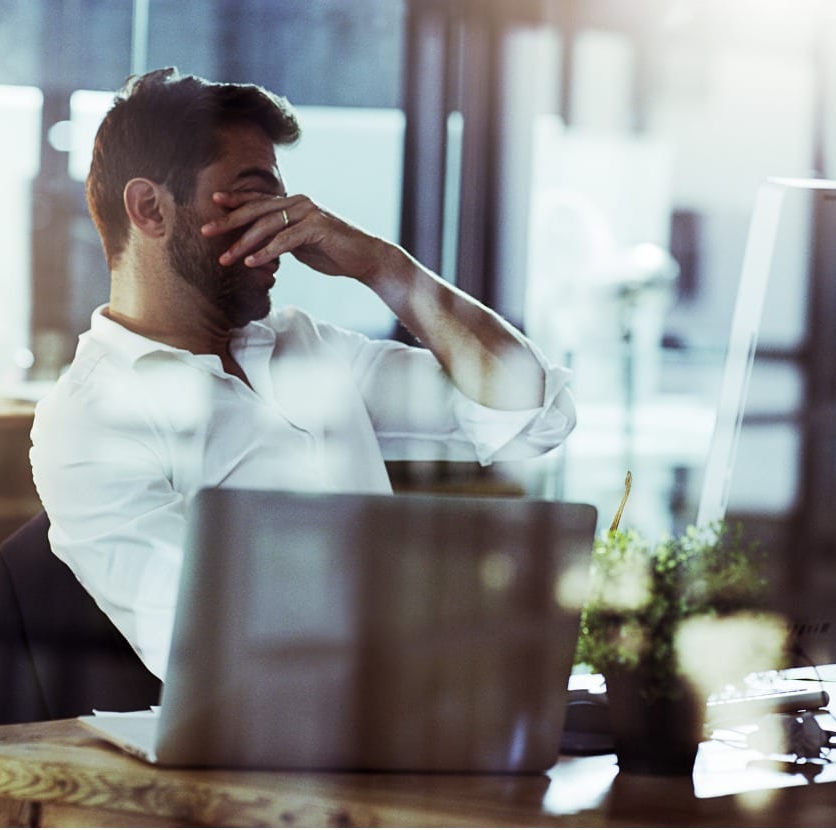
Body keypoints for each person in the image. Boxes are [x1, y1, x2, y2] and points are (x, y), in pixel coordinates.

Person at [29, 68, 576, 680]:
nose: (288, 219)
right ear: (150, 208)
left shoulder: (307, 347)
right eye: (253, 193)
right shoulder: (87, 421)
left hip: (415, 705)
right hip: (266, 755)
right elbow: (209, 643)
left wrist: (382, 266)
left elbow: (532, 413)